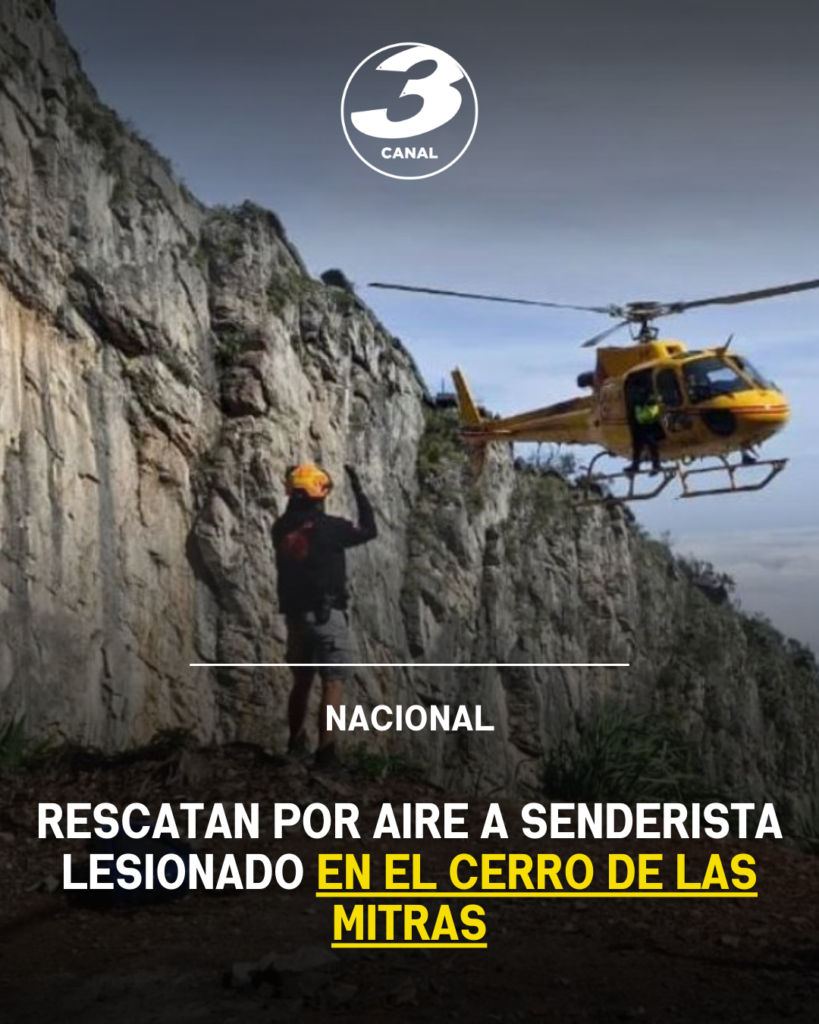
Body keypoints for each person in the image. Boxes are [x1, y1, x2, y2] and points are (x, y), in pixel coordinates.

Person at [272, 462, 377, 770]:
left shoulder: (280, 528)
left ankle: (295, 744)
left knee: (302, 681)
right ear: (320, 495)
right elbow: (369, 529)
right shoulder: (330, 528)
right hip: (326, 616)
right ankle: (326, 753)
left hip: (294, 616)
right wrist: (359, 491)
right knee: (333, 682)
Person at [626, 387, 664, 475]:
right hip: (642, 428)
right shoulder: (646, 404)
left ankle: (656, 465)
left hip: (649, 428)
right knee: (637, 447)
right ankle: (635, 466)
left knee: (651, 445)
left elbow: (643, 417)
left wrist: (638, 408)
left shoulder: (654, 406)